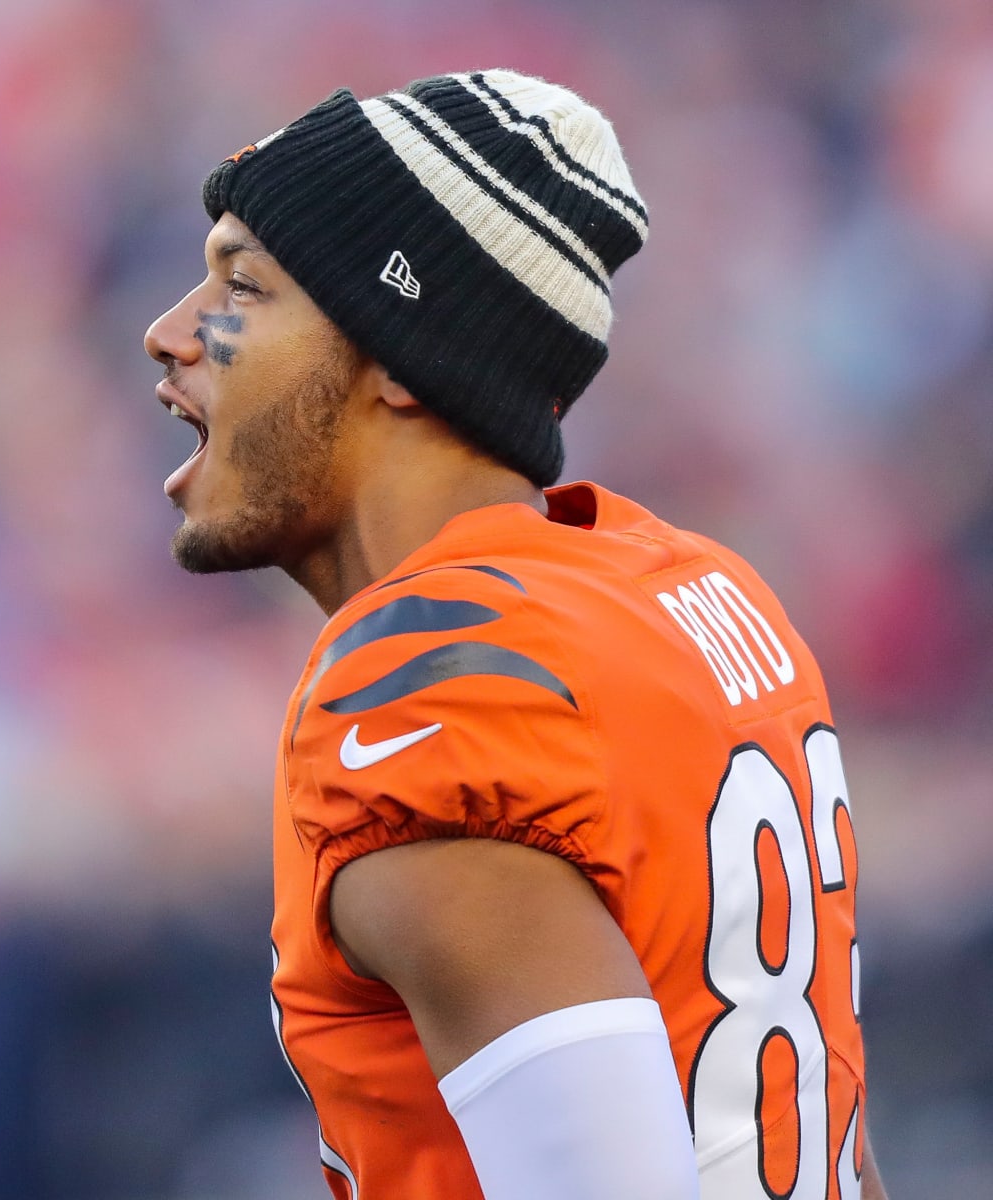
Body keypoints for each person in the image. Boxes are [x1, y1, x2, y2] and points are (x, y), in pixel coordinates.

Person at [144, 68, 887, 1200]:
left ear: (399, 350)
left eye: (242, 285)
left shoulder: (425, 680)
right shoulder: (693, 587)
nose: (169, 335)